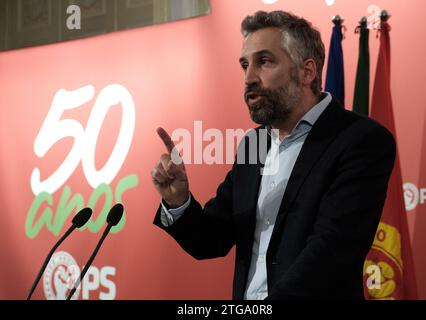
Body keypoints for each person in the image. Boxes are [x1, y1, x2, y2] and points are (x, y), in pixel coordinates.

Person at [151, 10, 396, 300]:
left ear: (307, 71)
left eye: (264, 62)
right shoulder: (253, 145)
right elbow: (211, 240)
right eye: (245, 65)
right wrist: (177, 200)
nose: (249, 78)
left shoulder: (360, 140)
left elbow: (331, 252)